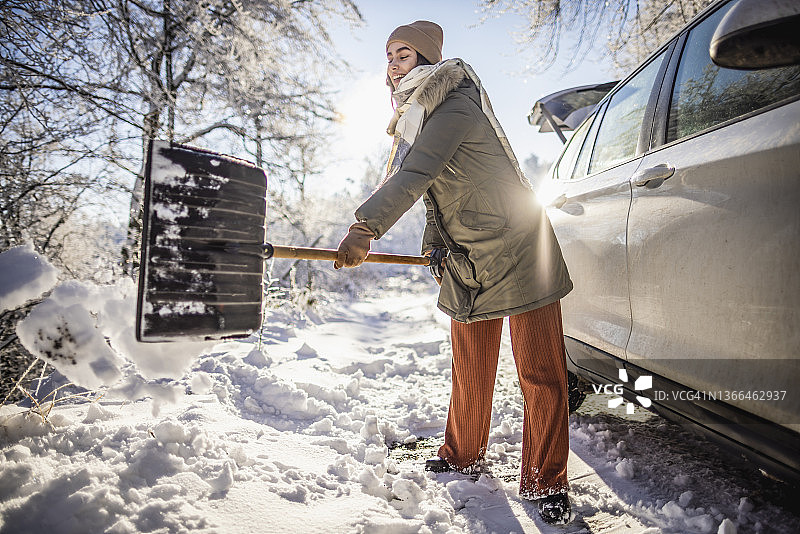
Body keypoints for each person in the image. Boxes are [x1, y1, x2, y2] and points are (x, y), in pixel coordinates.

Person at [334, 20, 574, 525]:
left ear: (427, 61)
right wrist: (434, 247)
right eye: (389, 55)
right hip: (467, 254)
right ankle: (463, 452)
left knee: (541, 375)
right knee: (470, 368)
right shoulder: (421, 115)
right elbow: (437, 196)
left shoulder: (456, 104)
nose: (393, 63)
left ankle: (545, 479)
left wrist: (365, 226)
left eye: (403, 54)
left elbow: (417, 173)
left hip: (520, 248)